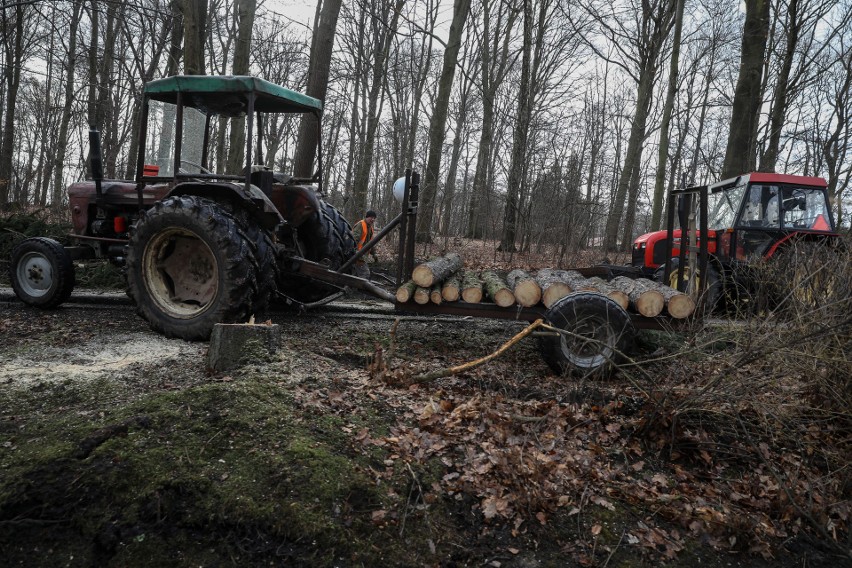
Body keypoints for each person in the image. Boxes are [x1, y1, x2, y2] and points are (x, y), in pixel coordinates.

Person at [352, 210, 378, 279]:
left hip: (362, 256)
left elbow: (371, 243)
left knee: (355, 275)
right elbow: (353, 241)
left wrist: (374, 254)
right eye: (371, 217)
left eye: (374, 218)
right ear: (366, 217)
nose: (373, 219)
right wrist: (356, 252)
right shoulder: (361, 225)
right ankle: (359, 289)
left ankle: (352, 288)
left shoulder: (370, 228)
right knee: (365, 274)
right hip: (357, 255)